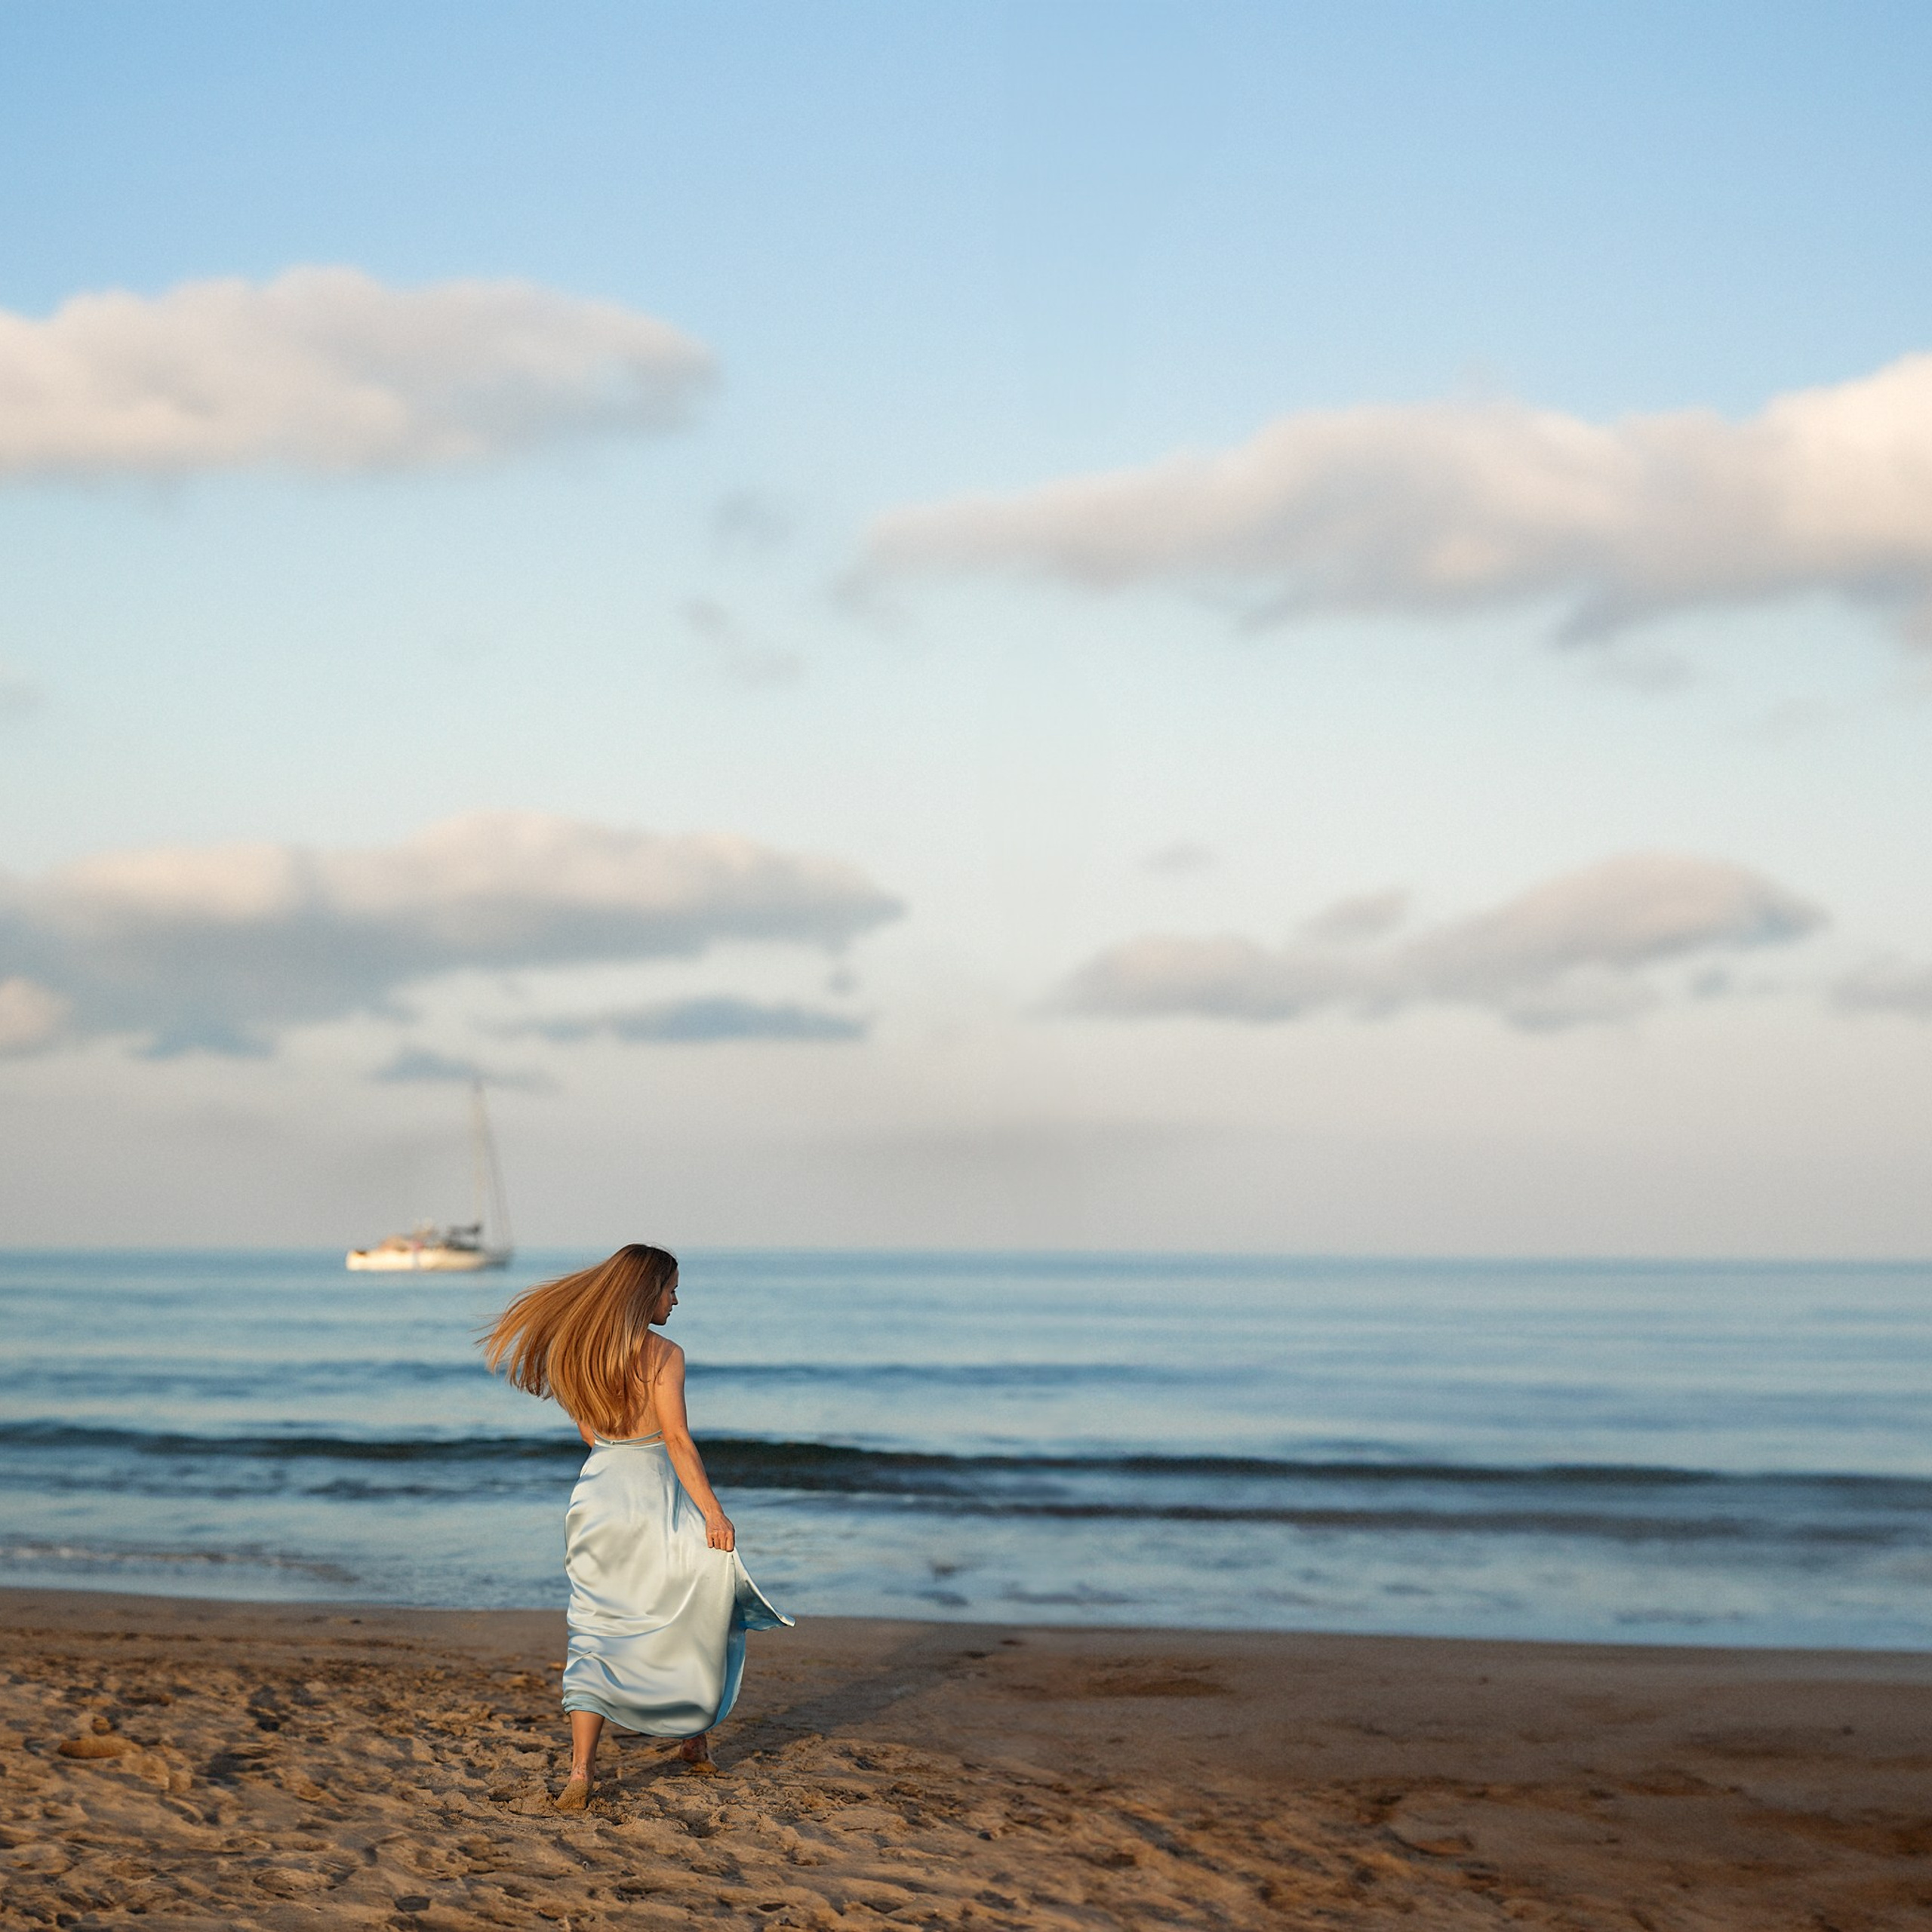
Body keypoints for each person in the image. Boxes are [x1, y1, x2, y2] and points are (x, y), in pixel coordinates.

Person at [483, 1244, 789, 1809]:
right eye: (671, 1289)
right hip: (655, 1499)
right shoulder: (665, 1354)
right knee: (695, 1606)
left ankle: (581, 1773)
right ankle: (692, 1738)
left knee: (595, 1630)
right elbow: (676, 1440)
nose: (677, 1299)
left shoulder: (576, 1356)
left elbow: (590, 1437)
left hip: (597, 1501)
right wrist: (714, 1513)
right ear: (645, 1293)